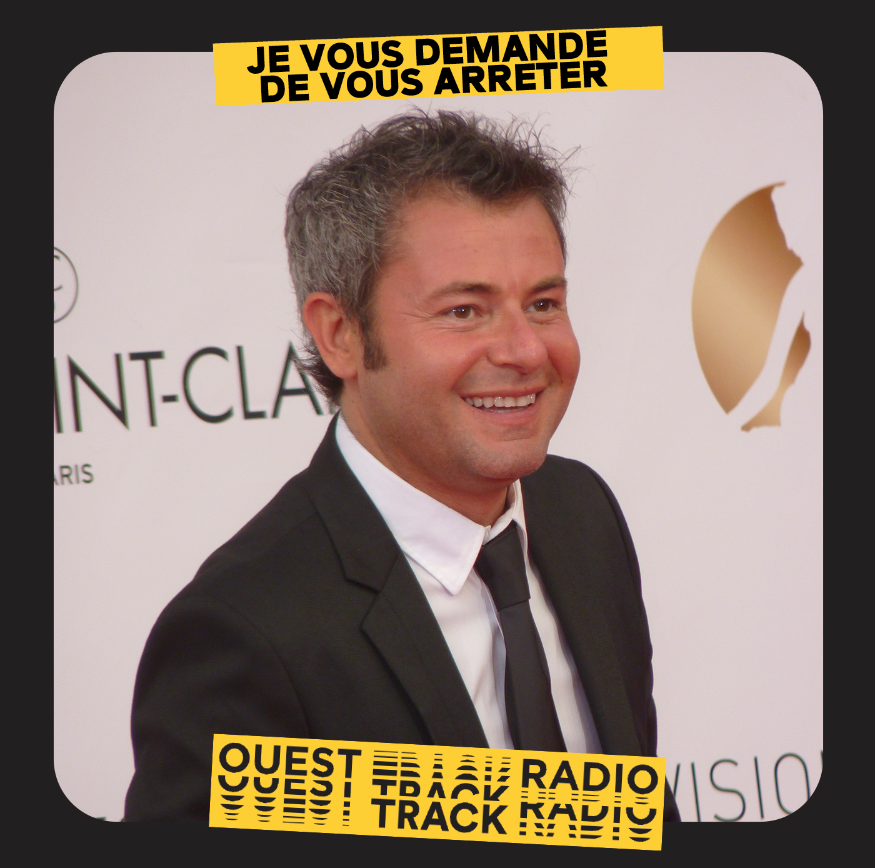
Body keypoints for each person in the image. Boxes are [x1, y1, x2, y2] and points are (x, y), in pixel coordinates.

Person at [124, 111, 680, 823]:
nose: (524, 350)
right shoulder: (245, 637)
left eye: (543, 303)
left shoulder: (581, 512)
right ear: (340, 335)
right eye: (464, 311)